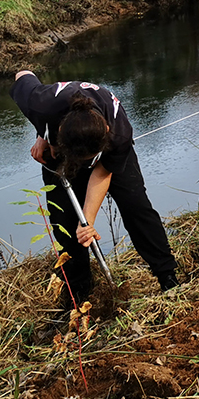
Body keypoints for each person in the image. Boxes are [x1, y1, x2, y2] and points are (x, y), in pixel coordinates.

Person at [12, 71, 180, 304]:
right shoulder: (41, 102)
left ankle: (167, 276)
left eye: (90, 159)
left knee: (136, 206)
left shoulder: (118, 132)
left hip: (105, 151)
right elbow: (23, 74)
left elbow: (102, 172)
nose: (87, 165)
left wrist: (88, 223)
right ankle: (80, 294)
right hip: (61, 152)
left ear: (106, 132)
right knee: (64, 222)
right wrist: (43, 132)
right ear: (61, 132)